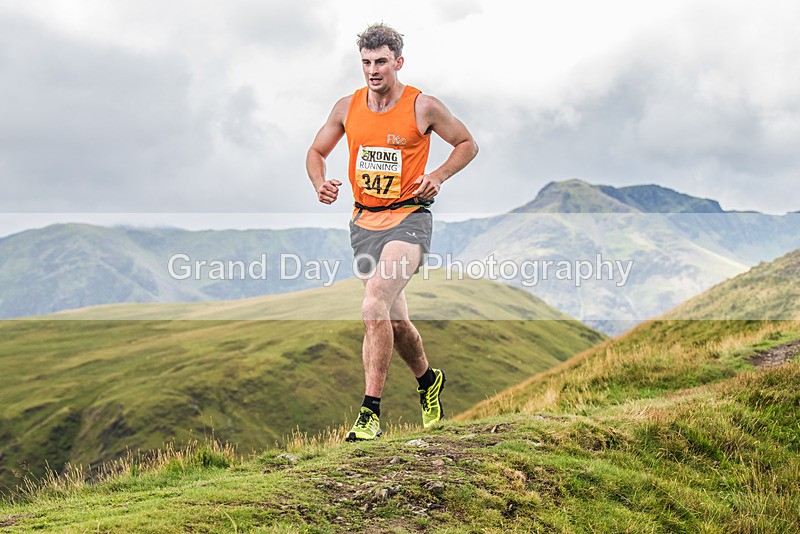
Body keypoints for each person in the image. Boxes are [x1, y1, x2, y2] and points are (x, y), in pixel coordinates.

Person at [306, 23, 478, 441]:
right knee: (395, 321)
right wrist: (319, 182)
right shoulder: (347, 107)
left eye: (381, 61)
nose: (373, 70)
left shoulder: (423, 106)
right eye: (366, 62)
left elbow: (466, 144)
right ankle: (428, 380)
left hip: (409, 219)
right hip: (364, 223)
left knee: (372, 305)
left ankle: (370, 413)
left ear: (398, 62)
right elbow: (316, 151)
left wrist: (437, 175)